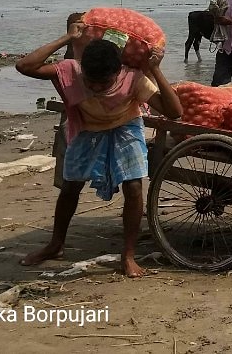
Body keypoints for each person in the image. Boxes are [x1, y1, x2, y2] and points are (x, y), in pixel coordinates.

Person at [15, 28, 183, 278]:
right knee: (70, 186)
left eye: (103, 82)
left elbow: (174, 111)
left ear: (117, 72)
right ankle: (55, 244)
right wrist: (68, 38)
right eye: (90, 81)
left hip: (125, 127)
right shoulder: (72, 70)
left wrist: (155, 69)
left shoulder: (134, 78)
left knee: (134, 186)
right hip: (88, 129)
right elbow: (25, 66)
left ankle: (128, 255)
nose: (95, 87)